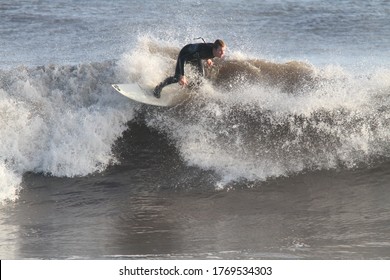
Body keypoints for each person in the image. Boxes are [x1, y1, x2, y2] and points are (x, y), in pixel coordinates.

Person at [153, 39, 226, 98]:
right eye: (220, 51)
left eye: (224, 50)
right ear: (215, 49)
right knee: (177, 78)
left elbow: (205, 50)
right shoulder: (206, 50)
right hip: (185, 54)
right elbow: (182, 59)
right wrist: (182, 75)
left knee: (200, 78)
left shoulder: (213, 50)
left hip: (196, 57)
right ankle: (158, 87)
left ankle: (189, 89)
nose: (223, 53)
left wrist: (208, 59)